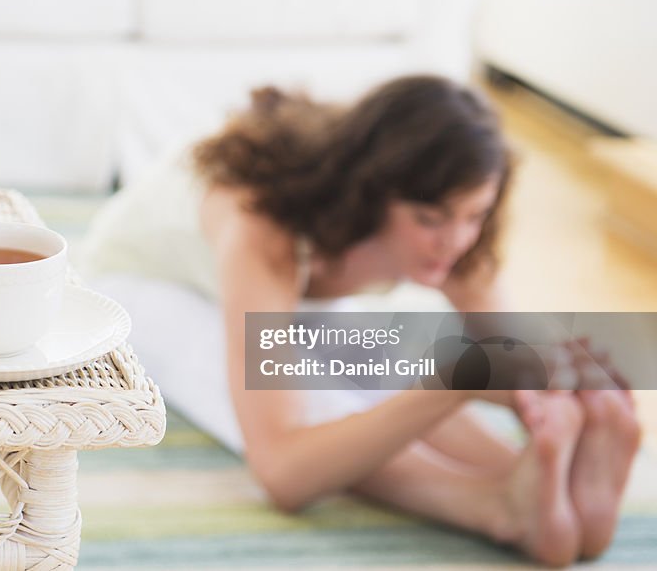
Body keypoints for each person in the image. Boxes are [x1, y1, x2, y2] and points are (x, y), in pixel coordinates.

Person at [79, 75, 642, 567]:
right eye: (430, 219)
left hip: (291, 298)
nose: (456, 239)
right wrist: (456, 381)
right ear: (371, 197)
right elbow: (283, 470)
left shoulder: (452, 224)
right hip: (141, 290)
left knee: (387, 355)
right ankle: (493, 507)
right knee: (333, 398)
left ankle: (539, 489)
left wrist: (576, 394)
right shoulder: (263, 226)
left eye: (475, 216)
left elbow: (517, 351)